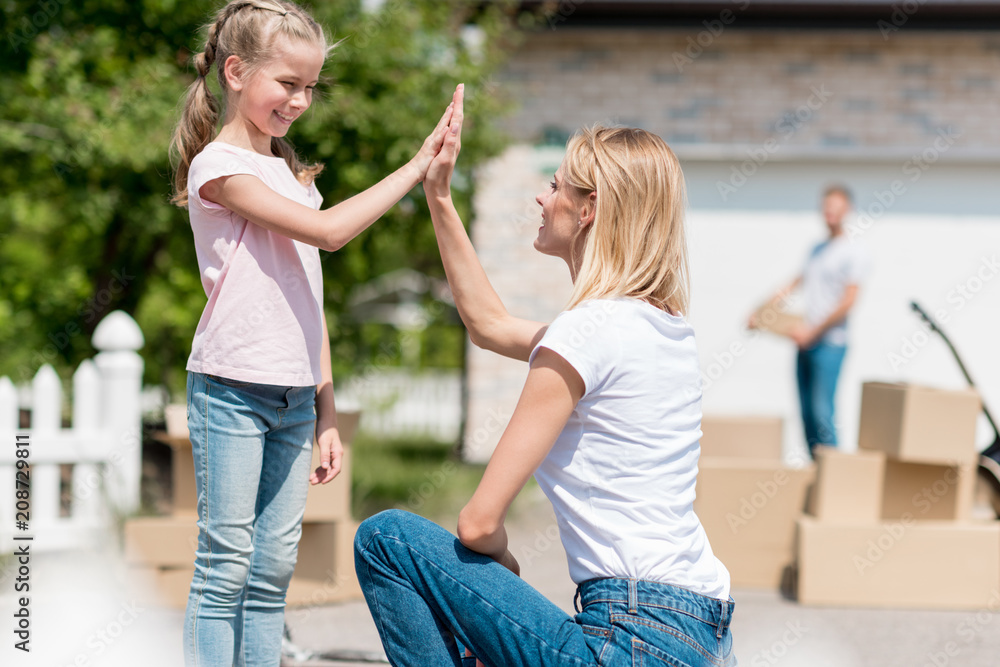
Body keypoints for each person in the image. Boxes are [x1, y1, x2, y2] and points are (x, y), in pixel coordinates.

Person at [354, 87, 736, 667]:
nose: (541, 195)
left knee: (387, 539)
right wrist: (439, 196)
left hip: (631, 638)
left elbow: (478, 521)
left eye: (555, 185)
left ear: (588, 211)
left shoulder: (585, 332)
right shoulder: (662, 327)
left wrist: (490, 589)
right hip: (703, 635)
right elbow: (488, 324)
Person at [169, 2, 454, 664]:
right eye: (288, 84)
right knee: (225, 567)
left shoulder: (295, 178)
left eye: (310, 88)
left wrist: (326, 407)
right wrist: (416, 168)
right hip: (232, 389)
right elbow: (329, 236)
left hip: (295, 401)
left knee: (270, 575)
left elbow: (308, 300)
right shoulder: (217, 167)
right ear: (236, 72)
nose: (300, 100)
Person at [752, 185, 869, 457]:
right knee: (806, 415)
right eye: (827, 207)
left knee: (822, 413)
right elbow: (793, 284)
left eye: (837, 208)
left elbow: (849, 301)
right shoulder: (816, 249)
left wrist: (813, 332)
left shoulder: (854, 252)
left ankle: (834, 480)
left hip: (830, 344)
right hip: (805, 342)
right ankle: (816, 473)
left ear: (847, 211)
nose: (831, 213)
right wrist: (761, 312)